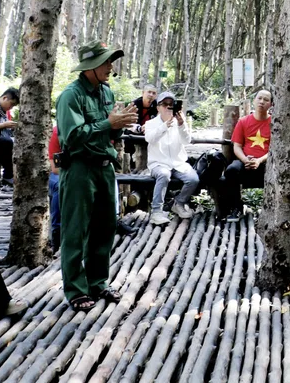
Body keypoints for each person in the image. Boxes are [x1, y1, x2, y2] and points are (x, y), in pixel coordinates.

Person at [56, 40, 139, 311]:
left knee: (105, 228)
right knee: (76, 230)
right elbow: (73, 137)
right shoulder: (72, 95)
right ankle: (77, 290)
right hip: (80, 169)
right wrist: (108, 122)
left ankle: (98, 283)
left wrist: (119, 124)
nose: (110, 67)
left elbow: (108, 133)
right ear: (90, 66)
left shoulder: (106, 92)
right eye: (106, 62)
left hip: (105, 168)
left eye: (110, 61)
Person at [144, 92, 199, 226]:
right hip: (158, 163)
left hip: (178, 162)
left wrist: (181, 125)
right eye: (165, 104)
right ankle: (156, 211)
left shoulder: (180, 122)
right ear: (158, 107)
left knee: (193, 179)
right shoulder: (151, 123)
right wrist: (165, 126)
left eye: (171, 104)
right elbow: (149, 138)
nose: (168, 107)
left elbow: (186, 141)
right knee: (164, 175)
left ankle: (179, 203)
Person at [223, 90, 273, 223]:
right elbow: (237, 146)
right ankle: (237, 207)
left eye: (266, 100)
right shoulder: (243, 121)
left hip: (266, 162)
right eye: (259, 98)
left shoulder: (274, 123)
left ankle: (270, 208)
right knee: (231, 170)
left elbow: (275, 149)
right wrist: (245, 159)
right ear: (254, 101)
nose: (262, 102)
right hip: (245, 161)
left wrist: (259, 160)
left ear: (271, 104)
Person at [0, 88, 19, 184]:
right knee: (7, 142)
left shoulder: (5, 112)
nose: (11, 107)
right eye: (12, 104)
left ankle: (9, 175)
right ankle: (8, 175)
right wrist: (3, 125)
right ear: (5, 98)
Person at [48, 125, 62, 250]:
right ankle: (57, 231)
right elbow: (56, 168)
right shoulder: (58, 133)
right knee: (60, 185)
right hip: (59, 173)